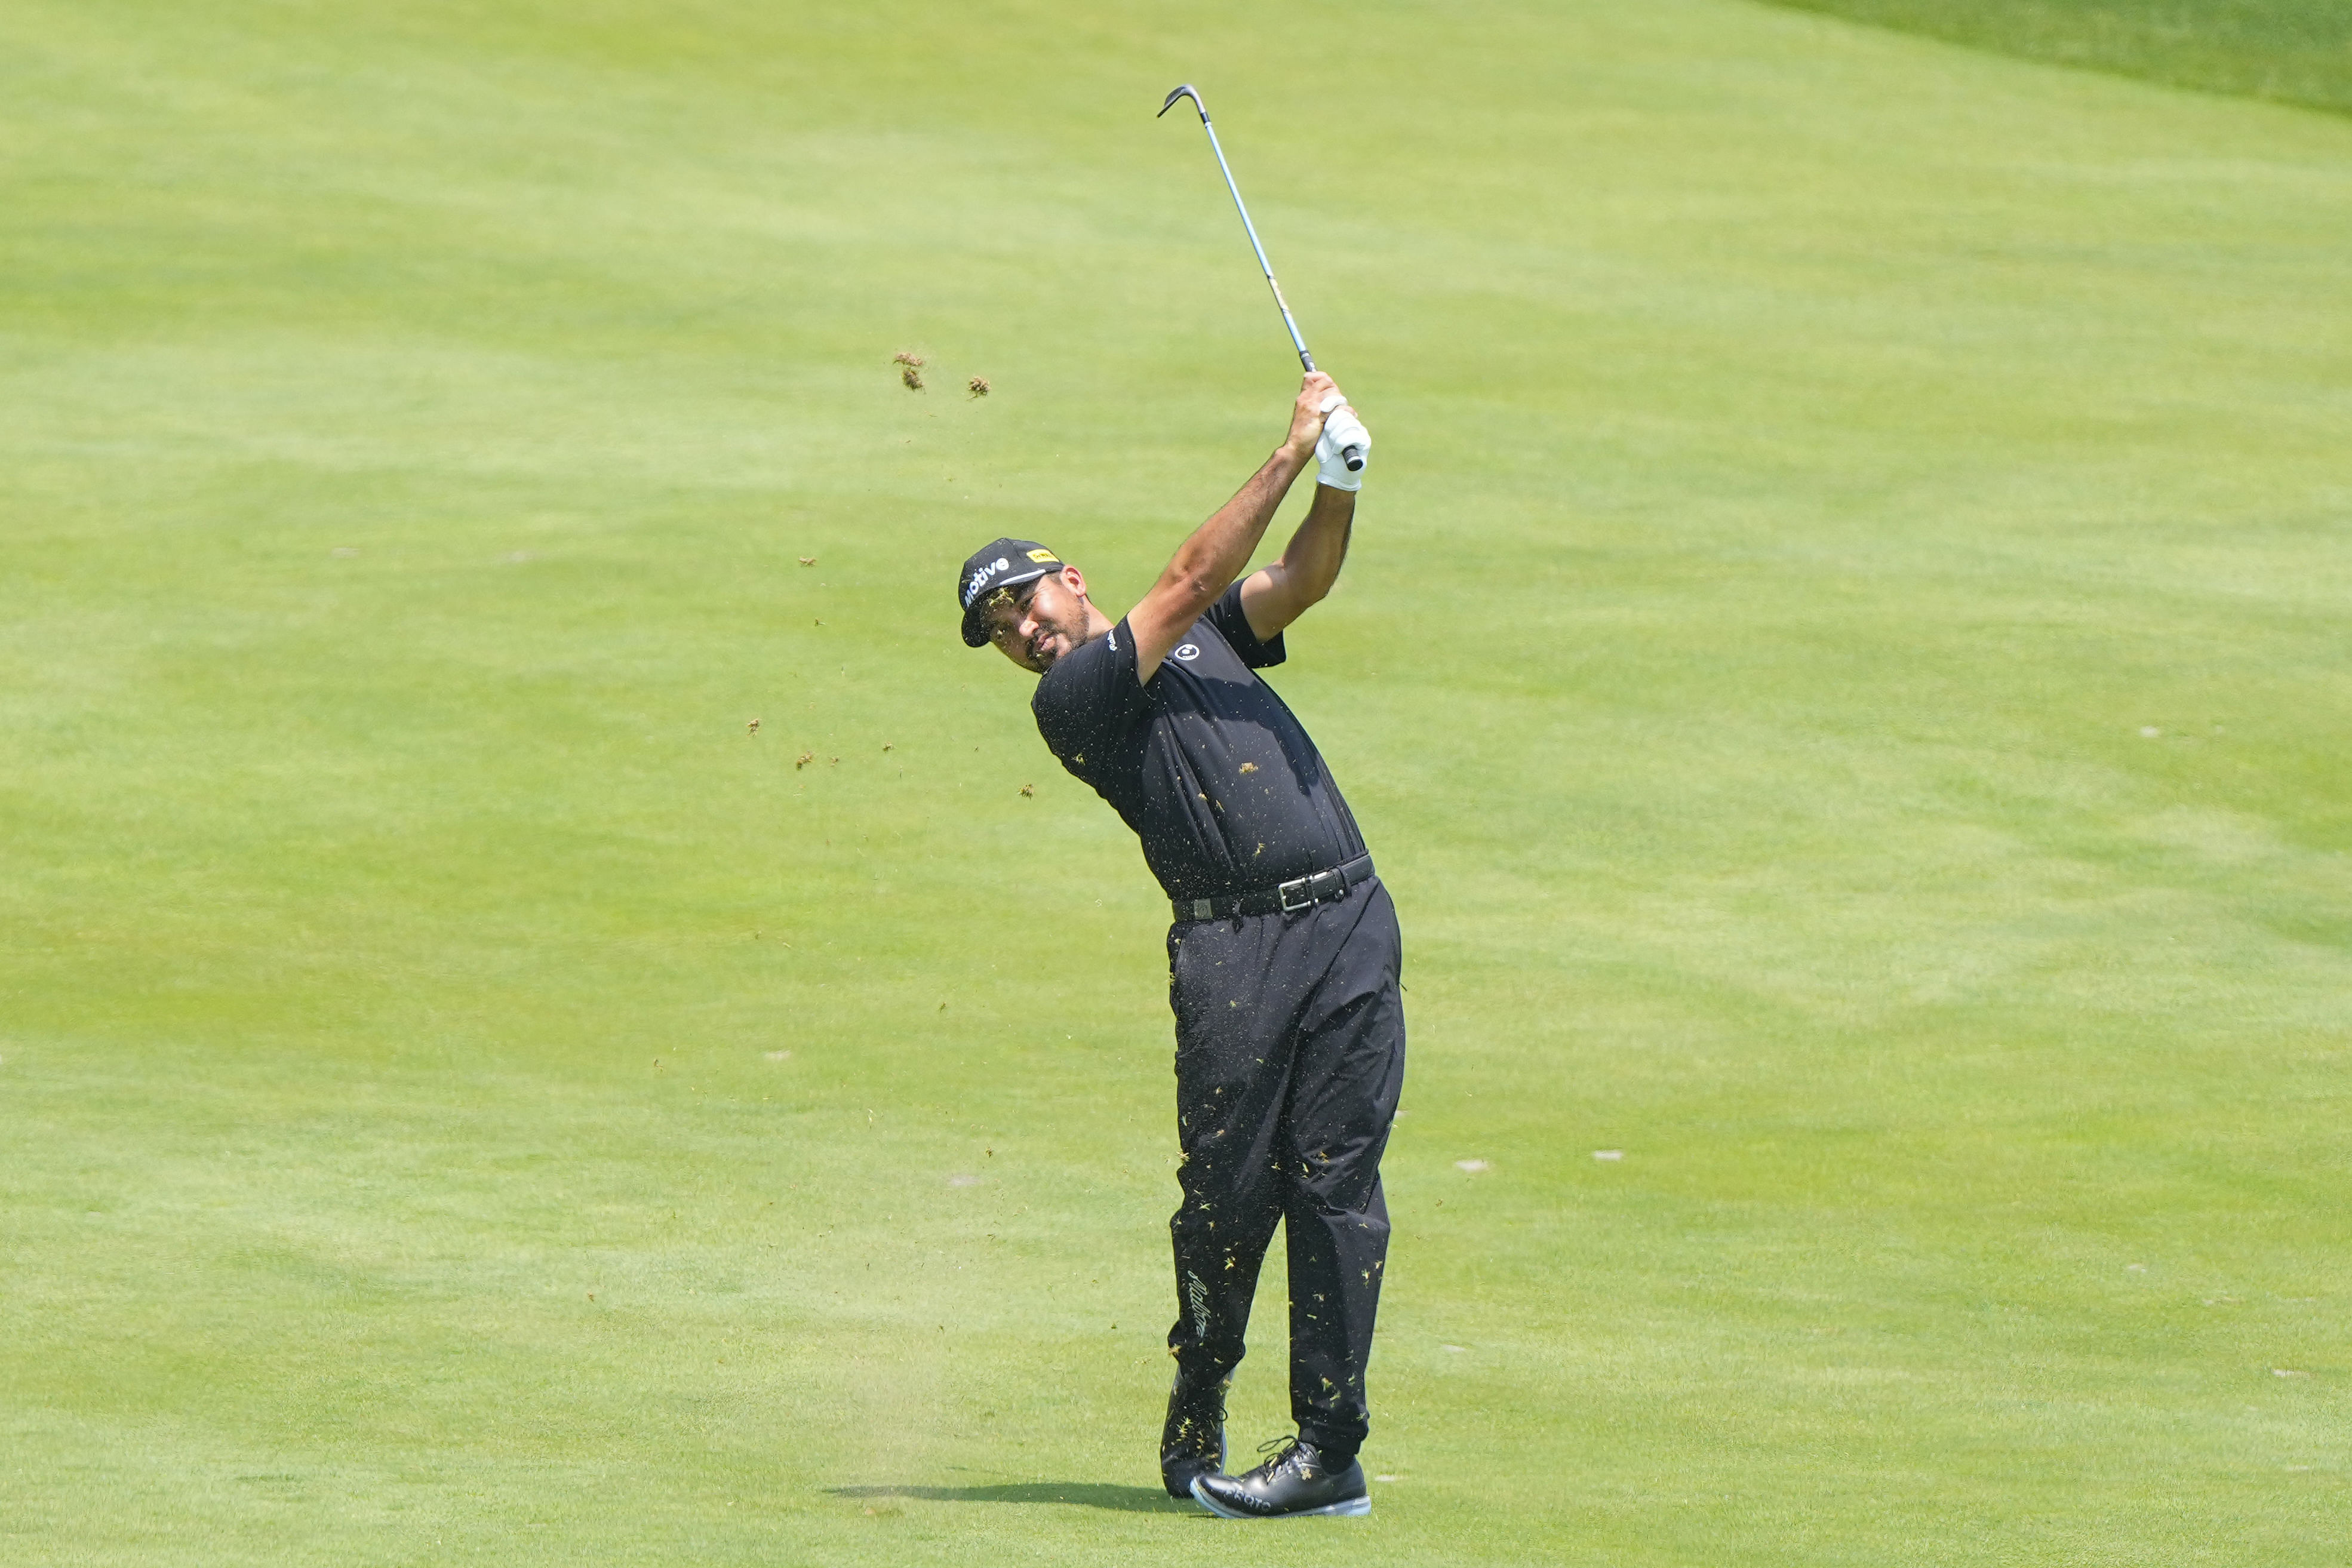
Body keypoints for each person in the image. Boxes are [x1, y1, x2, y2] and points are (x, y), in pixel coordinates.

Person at [952, 373, 1403, 1520]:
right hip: (1233, 956)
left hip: (1347, 918)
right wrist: (1292, 447)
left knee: (1338, 1187)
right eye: (1001, 631)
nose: (1023, 631)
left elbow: (1295, 581)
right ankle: (1198, 1399)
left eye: (1024, 601)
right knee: (1226, 1200)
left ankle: (1328, 1449)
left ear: (1070, 579)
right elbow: (1193, 573)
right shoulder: (1077, 702)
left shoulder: (1197, 639)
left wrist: (1341, 484)